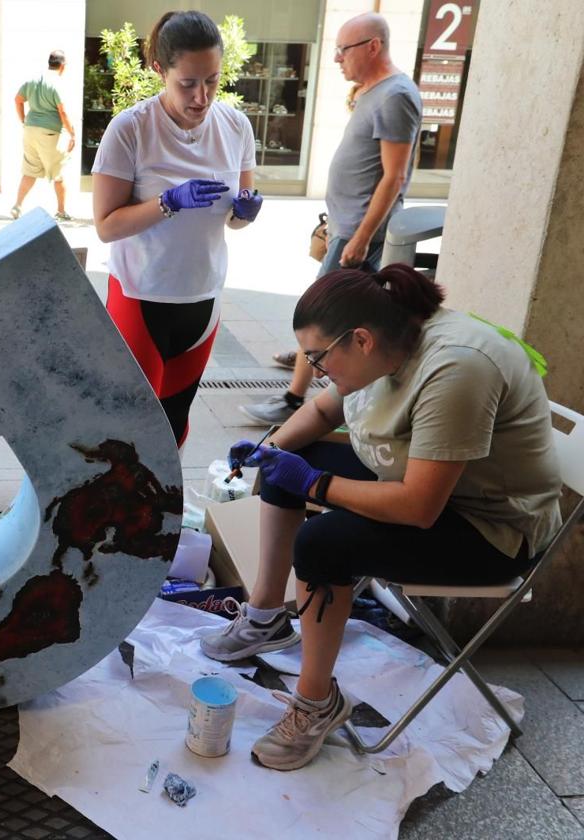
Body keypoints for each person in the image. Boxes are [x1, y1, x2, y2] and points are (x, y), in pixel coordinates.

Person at [201, 263, 562, 771]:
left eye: (318, 357)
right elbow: (325, 412)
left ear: (362, 340)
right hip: (429, 486)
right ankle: (266, 617)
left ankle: (316, 702)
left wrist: (315, 483)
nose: (315, 369)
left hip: (490, 531)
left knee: (323, 543)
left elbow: (418, 506)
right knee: (283, 471)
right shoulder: (390, 337)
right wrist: (270, 451)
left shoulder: (456, 367)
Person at [92, 11, 263, 447]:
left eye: (212, 80)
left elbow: (235, 220)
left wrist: (246, 211)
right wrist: (167, 202)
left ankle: (167, 513)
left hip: (202, 297)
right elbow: (107, 227)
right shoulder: (130, 129)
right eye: (188, 82)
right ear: (159, 70)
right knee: (132, 429)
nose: (202, 96)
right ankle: (123, 513)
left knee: (174, 422)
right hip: (141, 294)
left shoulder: (236, 126)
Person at [241, 12, 421, 425]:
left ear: (373, 47)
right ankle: (313, 358)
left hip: (359, 230)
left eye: (344, 49)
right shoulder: (372, 91)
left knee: (326, 312)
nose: (338, 58)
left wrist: (359, 238)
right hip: (345, 224)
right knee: (336, 311)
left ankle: (294, 396)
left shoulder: (396, 96)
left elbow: (394, 177)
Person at [11, 50, 77, 222]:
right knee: (58, 172)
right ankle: (61, 211)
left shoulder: (34, 79)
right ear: (62, 65)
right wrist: (72, 133)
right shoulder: (58, 83)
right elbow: (63, 111)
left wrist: (24, 120)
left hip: (30, 130)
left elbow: (17, 99)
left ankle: (17, 205)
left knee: (30, 170)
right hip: (49, 133)